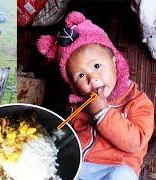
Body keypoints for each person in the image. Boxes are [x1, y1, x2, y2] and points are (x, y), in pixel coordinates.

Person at [37, 11, 154, 179]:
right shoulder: (77, 105)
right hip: (79, 164)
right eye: (81, 76)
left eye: (97, 66)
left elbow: (137, 143)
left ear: (114, 62)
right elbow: (70, 136)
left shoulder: (138, 101)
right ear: (72, 83)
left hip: (117, 166)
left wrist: (103, 114)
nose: (92, 78)